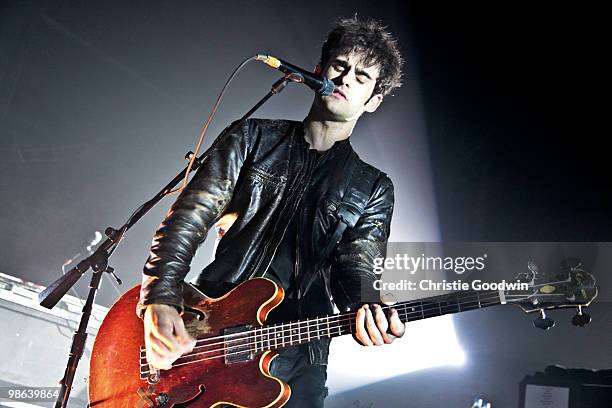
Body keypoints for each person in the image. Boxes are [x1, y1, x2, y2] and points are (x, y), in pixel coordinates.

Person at [138, 15, 405, 407]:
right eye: (340, 67)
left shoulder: (373, 186)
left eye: (362, 77)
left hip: (300, 355)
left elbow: (358, 264)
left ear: (373, 101)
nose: (346, 79)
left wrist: (368, 304)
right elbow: (188, 218)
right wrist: (160, 296)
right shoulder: (251, 137)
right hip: (211, 328)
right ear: (318, 71)